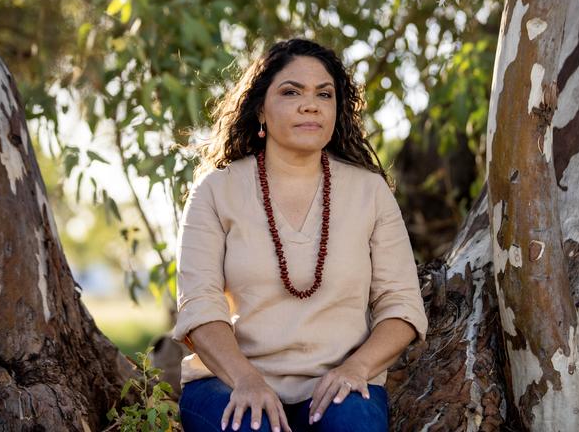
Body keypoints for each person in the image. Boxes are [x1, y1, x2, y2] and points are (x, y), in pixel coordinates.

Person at [173, 38, 428, 432]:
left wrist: (356, 367)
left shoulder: (370, 192)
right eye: (291, 91)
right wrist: (246, 380)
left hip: (338, 383)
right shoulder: (215, 191)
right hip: (229, 382)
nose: (310, 104)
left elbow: (402, 307)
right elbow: (200, 308)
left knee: (353, 425)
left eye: (323, 94)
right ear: (260, 108)